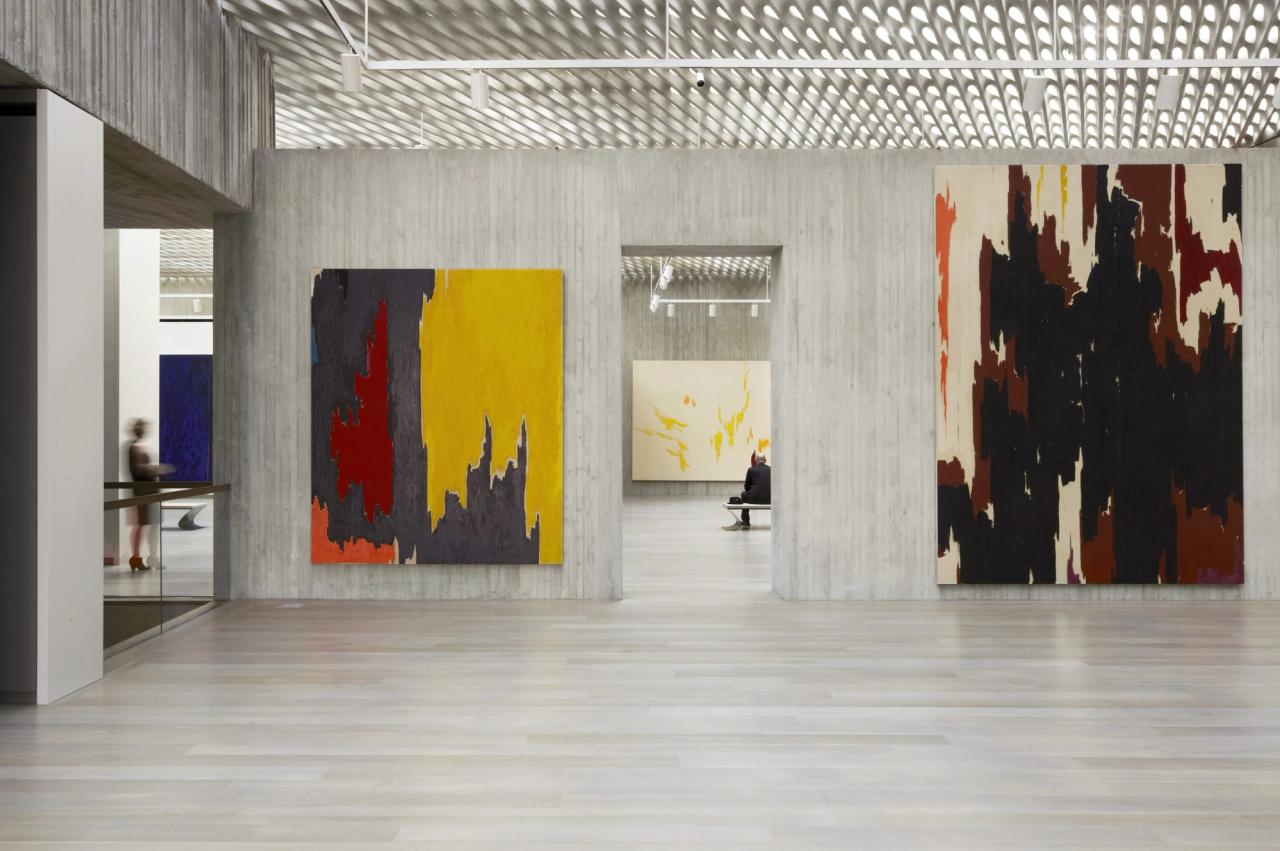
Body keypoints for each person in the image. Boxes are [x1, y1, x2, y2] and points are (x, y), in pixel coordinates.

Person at [127, 419, 171, 572]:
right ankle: (136, 558)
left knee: (153, 524)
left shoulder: (140, 446)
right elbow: (137, 470)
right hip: (142, 490)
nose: (143, 430)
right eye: (141, 427)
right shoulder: (134, 447)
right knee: (141, 525)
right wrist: (155, 469)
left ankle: (150, 557)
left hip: (150, 489)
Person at [728, 452, 770, 530]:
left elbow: (746, 487)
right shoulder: (771, 470)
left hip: (754, 499)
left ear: (756, 460)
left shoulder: (751, 470)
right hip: (770, 499)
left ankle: (746, 521)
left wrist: (752, 491)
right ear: (765, 460)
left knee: (743, 494)